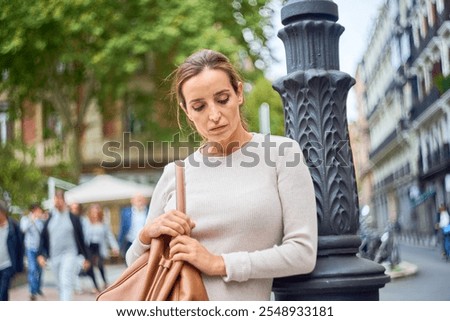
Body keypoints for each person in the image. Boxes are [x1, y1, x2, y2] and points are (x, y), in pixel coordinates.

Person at [126, 49, 318, 300]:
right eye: (199, 106)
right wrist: (146, 234)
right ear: (187, 112)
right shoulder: (176, 173)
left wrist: (219, 263)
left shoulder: (281, 154)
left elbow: (302, 253)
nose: (214, 115)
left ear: (239, 93)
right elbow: (135, 265)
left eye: (222, 99)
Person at [37, 190, 91, 301]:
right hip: (54, 256)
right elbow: (43, 238)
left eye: (60, 199)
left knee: (66, 281)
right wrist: (40, 254)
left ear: (64, 201)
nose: (58, 202)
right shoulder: (50, 218)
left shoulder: (73, 218)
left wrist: (87, 257)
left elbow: (81, 239)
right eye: (56, 199)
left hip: (70, 254)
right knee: (59, 284)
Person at [83, 203, 119, 291]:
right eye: (93, 212)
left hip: (99, 246)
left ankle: (105, 282)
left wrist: (114, 246)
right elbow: (82, 236)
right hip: (89, 246)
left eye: (96, 211)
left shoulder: (103, 223)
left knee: (99, 264)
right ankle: (95, 285)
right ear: (90, 213)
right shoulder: (86, 222)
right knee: (90, 266)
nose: (95, 213)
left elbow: (109, 235)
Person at [20, 203, 46, 300]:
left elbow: (43, 233)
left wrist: (40, 219)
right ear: (34, 210)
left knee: (40, 270)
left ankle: (38, 288)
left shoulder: (41, 221)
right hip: (30, 248)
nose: (40, 212)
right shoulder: (26, 219)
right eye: (38, 210)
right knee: (32, 269)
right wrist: (32, 220)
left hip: (40, 249)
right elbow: (23, 229)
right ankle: (32, 291)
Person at [0, 200, 24, 301]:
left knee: (3, 291)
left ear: (3, 212)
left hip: (7, 265)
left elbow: (20, 247)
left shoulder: (13, 226)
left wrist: (19, 267)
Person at [118, 193, 149, 257]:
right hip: (130, 241)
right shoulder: (126, 212)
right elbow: (122, 229)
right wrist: (119, 244)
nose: (139, 202)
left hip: (145, 242)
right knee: (130, 262)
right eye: (137, 200)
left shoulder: (149, 212)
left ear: (145, 201)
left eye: (141, 200)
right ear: (132, 201)